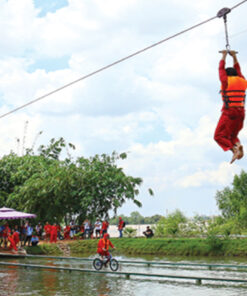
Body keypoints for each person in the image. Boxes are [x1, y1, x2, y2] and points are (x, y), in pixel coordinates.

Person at [214, 50, 247, 164]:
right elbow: (239, 70)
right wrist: (234, 56)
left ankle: (234, 150)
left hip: (230, 113)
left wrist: (223, 56)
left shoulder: (226, 81)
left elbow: (221, 70)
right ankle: (237, 146)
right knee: (232, 135)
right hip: (241, 113)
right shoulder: (242, 80)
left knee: (218, 136)